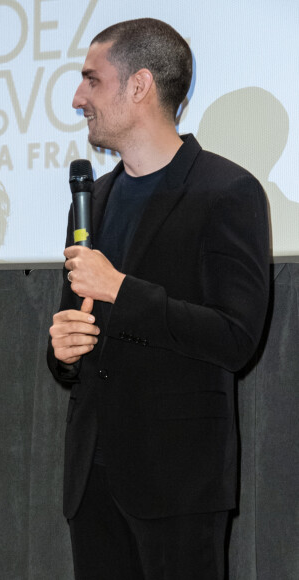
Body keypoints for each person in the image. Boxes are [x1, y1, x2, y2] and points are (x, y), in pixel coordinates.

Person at [47, 18, 270, 580]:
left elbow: (236, 339)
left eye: (91, 81)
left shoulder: (227, 191)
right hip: (92, 480)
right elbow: (76, 329)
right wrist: (63, 351)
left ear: (139, 84)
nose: (77, 99)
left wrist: (121, 290)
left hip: (178, 484)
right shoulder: (93, 198)